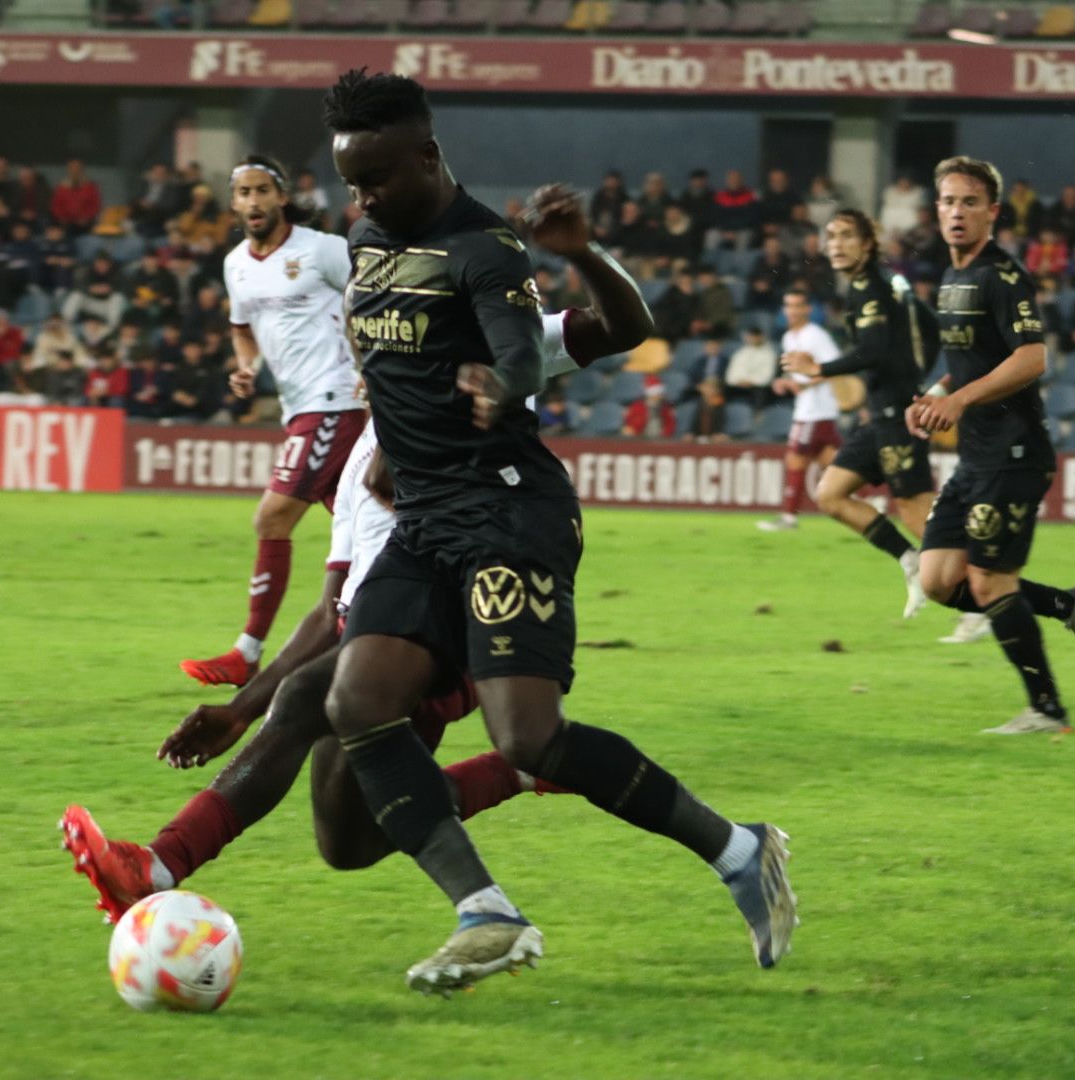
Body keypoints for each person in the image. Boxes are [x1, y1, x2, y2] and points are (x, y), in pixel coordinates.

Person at [318, 68, 795, 995]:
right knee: (353, 702)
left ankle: (740, 850)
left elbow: (513, 351)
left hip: (508, 511)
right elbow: (387, 359)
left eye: (375, 176)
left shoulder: (486, 249)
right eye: (350, 180)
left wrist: (501, 386)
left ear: (426, 155)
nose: (362, 196)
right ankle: (486, 913)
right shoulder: (369, 239)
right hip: (423, 515)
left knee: (528, 738)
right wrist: (396, 446)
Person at [58, 180, 650, 926]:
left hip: (464, 622)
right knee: (349, 840)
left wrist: (581, 259)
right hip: (381, 629)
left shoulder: (489, 325)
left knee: (309, 696)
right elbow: (333, 605)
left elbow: (622, 323)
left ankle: (157, 864)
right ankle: (520, 770)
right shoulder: (366, 450)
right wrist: (241, 711)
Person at [906, 156, 1075, 735]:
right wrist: (935, 394)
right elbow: (970, 360)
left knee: (989, 582)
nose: (956, 212)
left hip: (1015, 452)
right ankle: (1069, 606)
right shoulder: (951, 278)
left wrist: (961, 401)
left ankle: (1047, 711)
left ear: (993, 212)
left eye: (970, 202)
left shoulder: (1003, 275)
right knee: (938, 580)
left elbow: (1031, 357)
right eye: (948, 201)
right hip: (976, 455)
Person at [179, 154, 367, 689]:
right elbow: (242, 327)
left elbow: (375, 293)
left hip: (335, 401)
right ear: (233, 203)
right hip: (299, 406)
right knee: (361, 529)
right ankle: (378, 633)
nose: (254, 201)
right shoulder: (236, 263)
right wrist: (246, 366)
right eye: (244, 193)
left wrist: (368, 363)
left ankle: (248, 652)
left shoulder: (322, 250)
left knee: (272, 518)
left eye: (263, 190)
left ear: (281, 197)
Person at [780, 209, 936, 618]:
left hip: (899, 417)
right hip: (881, 415)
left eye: (847, 236)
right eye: (831, 236)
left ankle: (984, 602)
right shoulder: (868, 289)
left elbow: (874, 351)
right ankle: (910, 561)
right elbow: (931, 327)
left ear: (868, 244)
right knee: (830, 494)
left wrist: (819, 368)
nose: (836, 244)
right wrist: (917, 374)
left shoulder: (872, 291)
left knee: (923, 522)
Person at [757, 288, 842, 532]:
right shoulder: (789, 338)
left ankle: (789, 517)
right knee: (833, 462)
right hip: (809, 409)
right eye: (788, 306)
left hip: (816, 410)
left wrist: (803, 384)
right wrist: (786, 381)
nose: (792, 311)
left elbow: (833, 368)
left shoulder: (816, 336)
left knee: (795, 459)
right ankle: (870, 499)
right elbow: (798, 374)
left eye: (797, 306)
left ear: (807, 309)